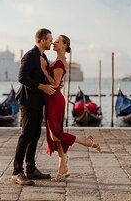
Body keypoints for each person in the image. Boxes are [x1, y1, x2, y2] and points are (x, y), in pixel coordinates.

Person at [40, 35, 101, 182]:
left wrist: (43, 70)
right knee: (56, 134)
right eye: (53, 40)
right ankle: (63, 168)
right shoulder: (59, 61)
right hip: (53, 99)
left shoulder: (60, 63)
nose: (54, 43)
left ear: (64, 45)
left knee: (55, 134)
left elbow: (55, 83)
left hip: (55, 100)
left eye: (57, 41)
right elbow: (57, 82)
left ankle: (84, 141)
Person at [11, 28, 56, 186]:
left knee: (35, 134)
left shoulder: (43, 56)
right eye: (50, 40)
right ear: (42, 40)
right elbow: (22, 77)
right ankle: (17, 172)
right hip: (28, 101)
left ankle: (30, 169)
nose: (51, 42)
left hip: (37, 102)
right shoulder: (30, 56)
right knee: (26, 136)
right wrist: (42, 87)